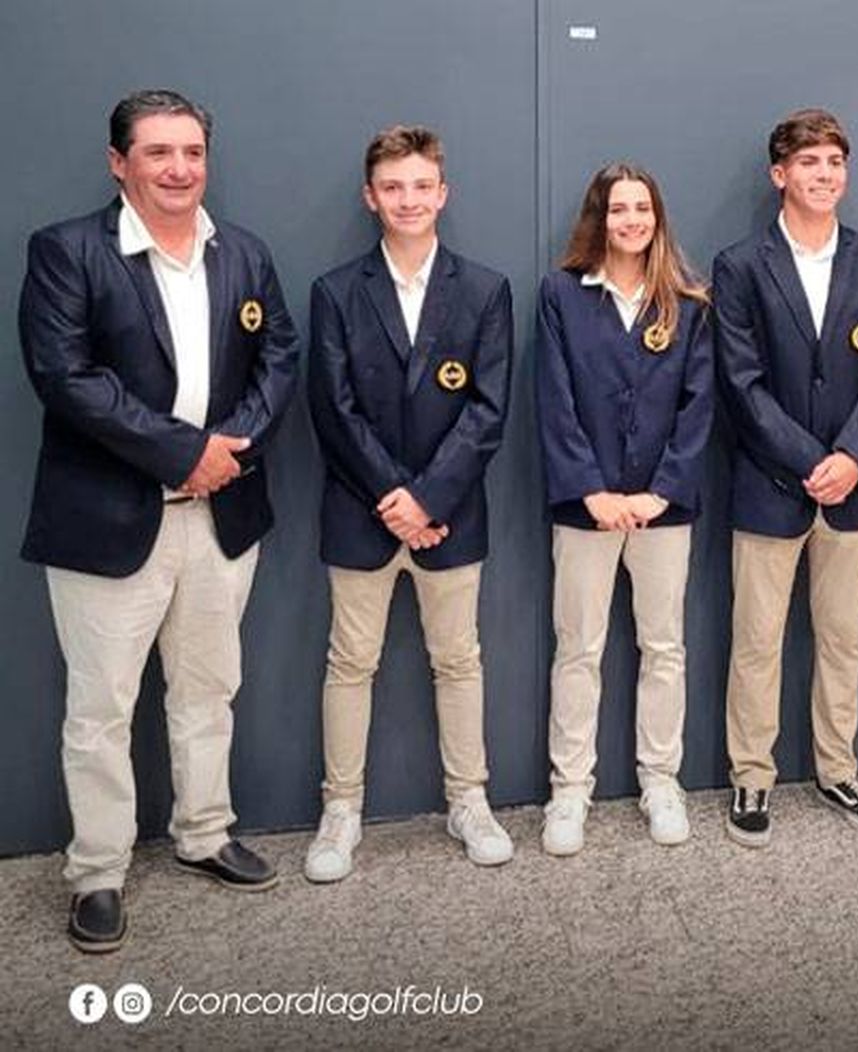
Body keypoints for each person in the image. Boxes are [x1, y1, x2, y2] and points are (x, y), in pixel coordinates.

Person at [19, 89, 299, 952]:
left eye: (191, 153)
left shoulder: (242, 254)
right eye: (158, 153)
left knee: (209, 689)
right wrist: (184, 453)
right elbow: (67, 379)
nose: (179, 170)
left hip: (221, 515)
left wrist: (231, 447)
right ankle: (97, 871)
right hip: (110, 521)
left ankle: (204, 833)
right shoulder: (68, 252)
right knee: (101, 708)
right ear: (119, 162)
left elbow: (280, 354)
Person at [303, 125, 514, 882]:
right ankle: (342, 810)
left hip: (450, 517)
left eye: (421, 186)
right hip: (360, 513)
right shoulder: (335, 292)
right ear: (371, 196)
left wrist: (428, 498)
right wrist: (394, 498)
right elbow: (332, 408)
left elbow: (488, 412)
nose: (408, 200)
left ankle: (469, 801)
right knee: (349, 662)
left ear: (443, 194)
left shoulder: (486, 290)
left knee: (458, 662)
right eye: (393, 187)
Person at [714, 108, 858, 846]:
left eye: (833, 162)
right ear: (779, 175)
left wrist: (852, 457)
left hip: (855, 489)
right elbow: (741, 382)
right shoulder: (741, 265)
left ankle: (837, 768)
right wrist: (807, 461)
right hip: (771, 485)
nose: (823, 174)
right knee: (757, 640)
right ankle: (752, 778)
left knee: (842, 639)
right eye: (808, 162)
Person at [535, 163, 713, 855]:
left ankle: (660, 780)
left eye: (643, 208)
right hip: (587, 507)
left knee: (663, 647)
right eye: (618, 209)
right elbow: (556, 399)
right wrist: (593, 491)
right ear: (598, 218)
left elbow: (699, 408)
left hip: (663, 507)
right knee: (577, 650)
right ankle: (569, 790)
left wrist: (658, 491)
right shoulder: (562, 295)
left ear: (658, 217)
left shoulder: (688, 304)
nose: (631, 220)